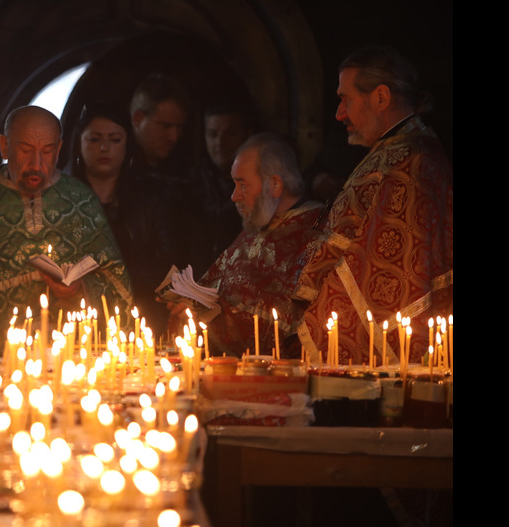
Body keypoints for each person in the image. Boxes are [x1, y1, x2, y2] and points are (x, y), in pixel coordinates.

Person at [293, 45, 453, 364]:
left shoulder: (413, 164)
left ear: (381, 97)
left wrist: (311, 315)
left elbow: (386, 270)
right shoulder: (395, 151)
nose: (340, 114)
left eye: (346, 99)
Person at [0, 105, 133, 348]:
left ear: (58, 149)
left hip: (71, 354)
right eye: (26, 150)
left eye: (47, 151)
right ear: (5, 146)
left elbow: (115, 281)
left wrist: (80, 289)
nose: (37, 164)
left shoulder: (81, 200)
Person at [167, 133, 323, 358]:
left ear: (275, 184)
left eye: (243, 185)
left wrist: (209, 318)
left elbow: (283, 325)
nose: (233, 196)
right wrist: (187, 304)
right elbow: (216, 290)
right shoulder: (259, 225)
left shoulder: (312, 234)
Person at [70, 101, 179, 337]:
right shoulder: (64, 198)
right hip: (78, 316)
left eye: (114, 139)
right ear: (79, 142)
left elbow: (168, 266)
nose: (104, 148)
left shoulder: (149, 198)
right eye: (95, 139)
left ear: (127, 143)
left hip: (140, 317)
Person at [183, 102, 255, 274]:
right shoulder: (189, 184)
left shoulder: (257, 187)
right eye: (213, 134)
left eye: (231, 133)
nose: (220, 142)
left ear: (247, 134)